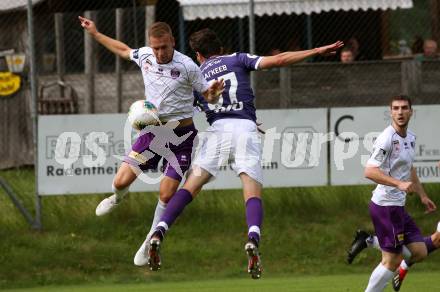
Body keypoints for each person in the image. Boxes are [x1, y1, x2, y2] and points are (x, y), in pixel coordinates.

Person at [140, 28, 343, 278]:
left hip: (218, 131)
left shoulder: (195, 75)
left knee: (191, 186)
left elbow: (180, 113)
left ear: (199, 55)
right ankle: (252, 237)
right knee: (250, 186)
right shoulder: (238, 58)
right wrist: (316, 50)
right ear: (221, 49)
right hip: (245, 128)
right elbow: (278, 60)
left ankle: (159, 230)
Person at [78, 17, 224, 266]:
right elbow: (123, 49)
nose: (159, 52)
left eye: (164, 47)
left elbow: (207, 95)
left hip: (182, 138)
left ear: (172, 42)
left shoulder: (188, 66)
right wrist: (95, 33)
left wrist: (212, 94)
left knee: (166, 195)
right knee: (120, 181)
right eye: (155, 47)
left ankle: (149, 242)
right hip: (153, 134)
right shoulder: (145, 56)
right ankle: (116, 198)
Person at [357, 95, 437, 292]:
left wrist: (422, 195)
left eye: (404, 108)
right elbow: (369, 171)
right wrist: (398, 183)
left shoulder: (410, 138)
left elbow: (409, 169)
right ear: (390, 112)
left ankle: (368, 241)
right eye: (396, 108)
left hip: (398, 206)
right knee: (391, 260)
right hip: (385, 206)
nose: (400, 112)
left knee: (419, 251)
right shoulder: (387, 138)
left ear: (411, 112)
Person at [348, 221, 440, 291]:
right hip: (389, 206)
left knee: (420, 252)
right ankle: (370, 240)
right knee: (394, 257)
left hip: (391, 206)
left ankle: (370, 240)